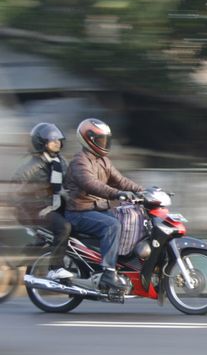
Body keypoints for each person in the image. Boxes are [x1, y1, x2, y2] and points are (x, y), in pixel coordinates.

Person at [64, 118, 144, 291]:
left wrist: (143, 191)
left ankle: (122, 265)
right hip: (79, 212)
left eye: (106, 139)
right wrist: (117, 193)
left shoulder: (104, 160)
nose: (104, 143)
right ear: (88, 139)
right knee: (112, 225)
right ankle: (108, 272)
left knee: (128, 221)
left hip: (97, 209)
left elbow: (121, 180)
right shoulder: (80, 161)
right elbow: (90, 184)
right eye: (100, 139)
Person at [11, 123, 73, 280]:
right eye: (52, 140)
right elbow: (14, 187)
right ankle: (55, 268)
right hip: (36, 209)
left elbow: (69, 184)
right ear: (41, 143)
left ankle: (34, 251)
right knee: (63, 227)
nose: (57, 142)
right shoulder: (33, 165)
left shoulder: (59, 162)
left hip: (53, 206)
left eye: (58, 139)